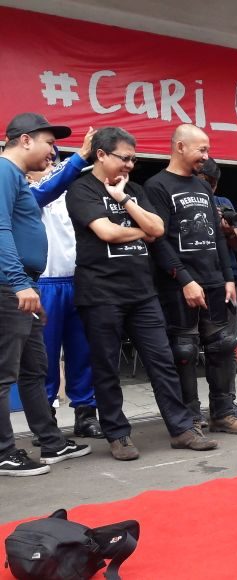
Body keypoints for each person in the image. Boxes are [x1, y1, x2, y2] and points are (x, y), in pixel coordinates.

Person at [66, 126, 218, 460]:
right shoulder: (81, 189)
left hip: (142, 293)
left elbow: (158, 229)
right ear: (101, 155)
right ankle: (118, 434)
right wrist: (141, 230)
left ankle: (181, 429)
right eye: (124, 158)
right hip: (101, 293)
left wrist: (123, 199)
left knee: (163, 361)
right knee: (106, 367)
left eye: (133, 159)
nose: (130, 165)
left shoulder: (133, 189)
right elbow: (106, 232)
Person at [144, 125, 237, 435]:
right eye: (201, 150)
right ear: (180, 147)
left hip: (215, 281)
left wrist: (228, 277)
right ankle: (190, 417)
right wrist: (185, 280)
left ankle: (223, 413)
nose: (206, 156)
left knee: (223, 345)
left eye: (207, 150)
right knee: (184, 350)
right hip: (177, 285)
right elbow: (158, 240)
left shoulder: (203, 187)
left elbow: (218, 237)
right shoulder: (156, 186)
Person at [1, 113, 92, 475]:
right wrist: (19, 282)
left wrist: (29, 285)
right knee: (5, 373)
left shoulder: (16, 177)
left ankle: (51, 442)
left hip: (26, 285)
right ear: (25, 140)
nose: (53, 152)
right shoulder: (4, 172)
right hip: (11, 287)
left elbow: (47, 192)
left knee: (34, 369)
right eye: (49, 143)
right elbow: (0, 228)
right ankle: (4, 452)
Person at [29, 128, 104, 441]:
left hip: (78, 280)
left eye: (54, 160)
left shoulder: (74, 193)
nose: (50, 164)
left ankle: (86, 414)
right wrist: (78, 158)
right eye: (46, 159)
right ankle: (45, 420)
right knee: (44, 357)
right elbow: (47, 187)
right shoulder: (24, 191)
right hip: (44, 284)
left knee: (83, 351)